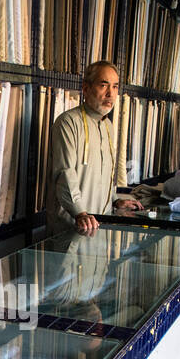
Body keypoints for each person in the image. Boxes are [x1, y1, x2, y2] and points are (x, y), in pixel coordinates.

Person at [46, 60, 141, 235]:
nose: (110, 94)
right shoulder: (68, 123)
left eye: (114, 87)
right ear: (86, 88)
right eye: (103, 85)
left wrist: (115, 200)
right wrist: (80, 213)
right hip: (72, 225)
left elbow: (105, 175)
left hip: (99, 224)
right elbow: (65, 173)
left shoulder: (108, 126)